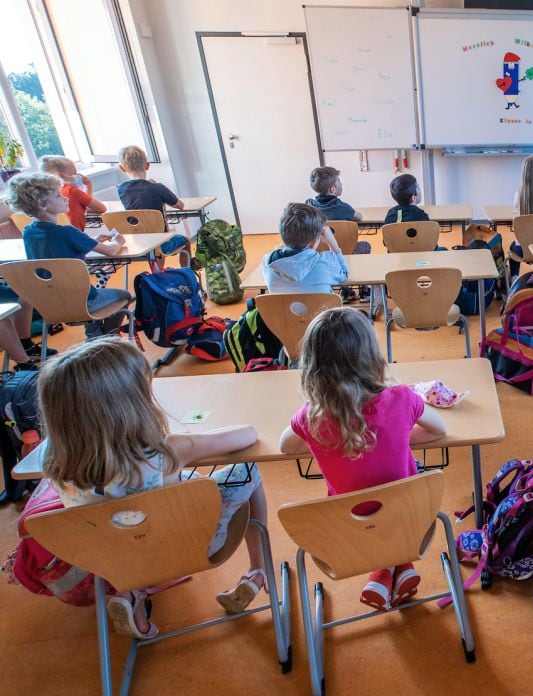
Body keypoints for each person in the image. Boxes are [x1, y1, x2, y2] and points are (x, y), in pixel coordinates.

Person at [40, 338, 270, 638]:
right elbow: (247, 435)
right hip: (188, 546)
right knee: (247, 471)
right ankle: (257, 571)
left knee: (128, 516)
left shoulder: (54, 459)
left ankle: (130, 593)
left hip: (106, 557)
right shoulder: (163, 451)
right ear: (131, 402)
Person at [280, 308, 447, 611]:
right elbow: (439, 431)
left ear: (313, 366)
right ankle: (400, 566)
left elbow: (285, 447)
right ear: (371, 355)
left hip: (347, 534)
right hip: (411, 521)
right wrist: (393, 438)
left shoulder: (310, 417)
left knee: (369, 513)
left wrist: (333, 440)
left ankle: (381, 573)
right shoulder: (403, 398)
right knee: (395, 500)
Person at [5, 173, 130, 339]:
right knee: (125, 296)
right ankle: (108, 338)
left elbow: (57, 255)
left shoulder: (28, 233)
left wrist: (89, 241)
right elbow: (111, 251)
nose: (65, 198)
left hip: (50, 306)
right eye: (58, 195)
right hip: (85, 302)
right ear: (43, 205)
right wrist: (118, 241)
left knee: (73, 288)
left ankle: (96, 336)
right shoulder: (68, 232)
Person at [262, 202, 348, 295]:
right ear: (313, 243)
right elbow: (344, 274)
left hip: (282, 309)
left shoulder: (268, 261)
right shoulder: (324, 262)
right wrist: (333, 243)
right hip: (322, 309)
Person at [40, 155, 106, 231]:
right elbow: (101, 208)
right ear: (59, 176)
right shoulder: (73, 191)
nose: (78, 176)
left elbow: (81, 208)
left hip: (60, 234)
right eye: (74, 174)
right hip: (77, 234)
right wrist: (89, 186)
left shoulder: (49, 194)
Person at [117, 145, 185, 215]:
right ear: (147, 165)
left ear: (122, 168)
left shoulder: (121, 189)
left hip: (134, 226)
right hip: (158, 226)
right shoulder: (158, 188)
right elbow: (180, 205)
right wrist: (163, 195)